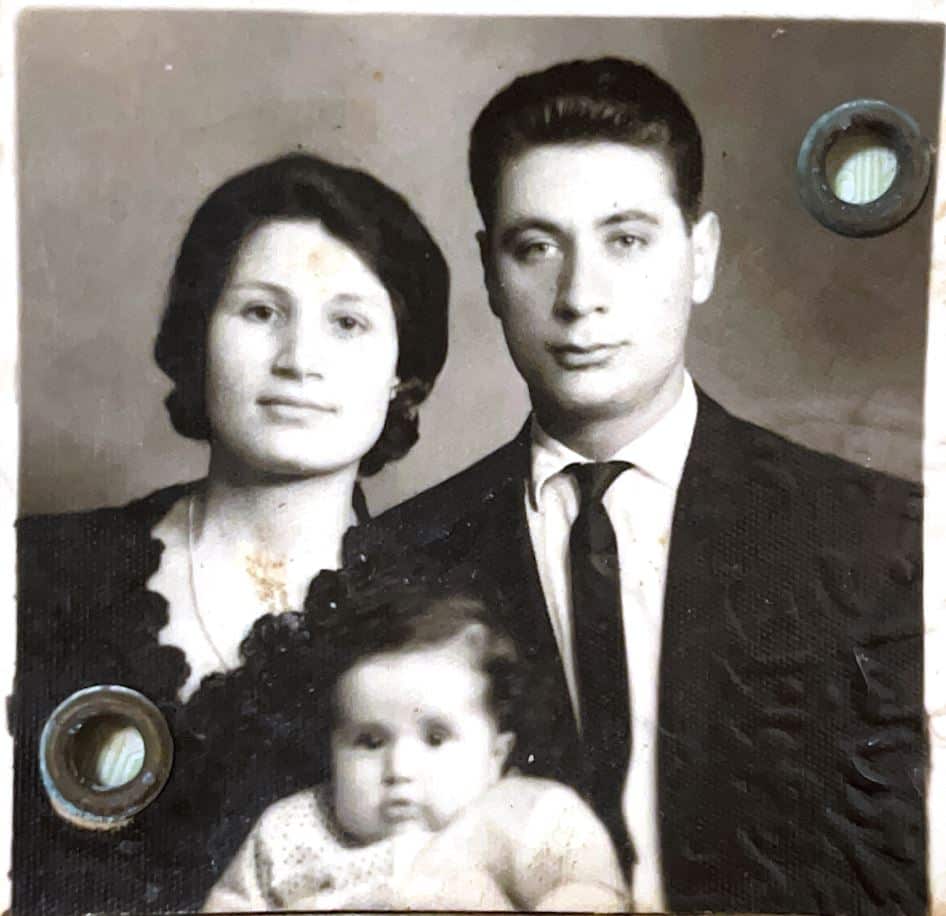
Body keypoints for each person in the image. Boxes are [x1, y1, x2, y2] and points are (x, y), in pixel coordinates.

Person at [369, 58, 926, 915]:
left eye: (626, 239)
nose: (580, 297)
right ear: (488, 272)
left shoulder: (878, 536)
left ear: (699, 256)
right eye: (537, 247)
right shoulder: (394, 561)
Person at [14, 152, 449, 913]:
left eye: (347, 322)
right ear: (196, 337)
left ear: (400, 376)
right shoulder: (36, 566)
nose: (299, 361)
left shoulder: (441, 635)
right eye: (260, 312)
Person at [202, 575, 628, 912]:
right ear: (332, 748)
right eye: (369, 742)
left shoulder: (526, 814)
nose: (399, 769)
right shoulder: (290, 831)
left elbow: (591, 895)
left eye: (436, 738)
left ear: (496, 754)